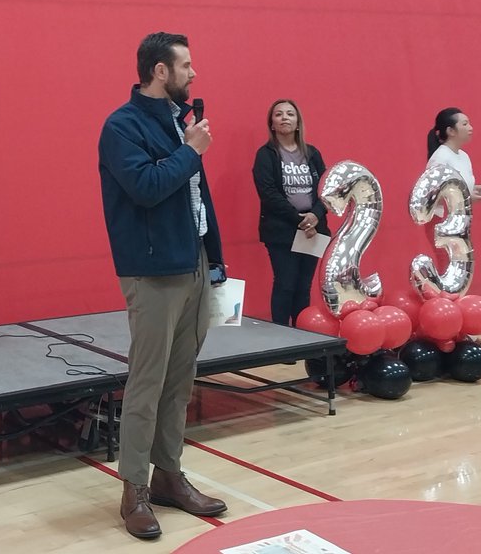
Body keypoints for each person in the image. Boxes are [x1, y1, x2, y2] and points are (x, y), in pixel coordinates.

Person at [98, 32, 228, 540]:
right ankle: (134, 488)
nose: (194, 74)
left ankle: (169, 475)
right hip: (153, 272)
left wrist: (215, 258)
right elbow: (147, 188)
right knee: (147, 383)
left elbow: (197, 197)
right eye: (186, 65)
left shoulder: (179, 122)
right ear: (160, 71)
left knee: (180, 382)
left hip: (193, 262)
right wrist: (191, 151)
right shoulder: (122, 126)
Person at [252, 99, 329, 327]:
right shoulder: (265, 155)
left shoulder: (312, 153)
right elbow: (268, 193)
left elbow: (327, 188)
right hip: (282, 229)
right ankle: (281, 337)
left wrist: (315, 215)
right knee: (285, 284)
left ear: (298, 123)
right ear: (272, 124)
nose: (284, 117)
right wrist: (300, 221)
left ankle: (302, 333)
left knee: (304, 286)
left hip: (314, 229)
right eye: (278, 114)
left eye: (290, 114)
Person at [427, 107, 481, 204]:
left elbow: (454, 189)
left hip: (462, 213)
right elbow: (431, 196)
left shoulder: (464, 156)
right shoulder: (440, 158)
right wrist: (466, 197)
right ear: (451, 131)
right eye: (465, 124)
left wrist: (473, 189)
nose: (470, 128)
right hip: (443, 214)